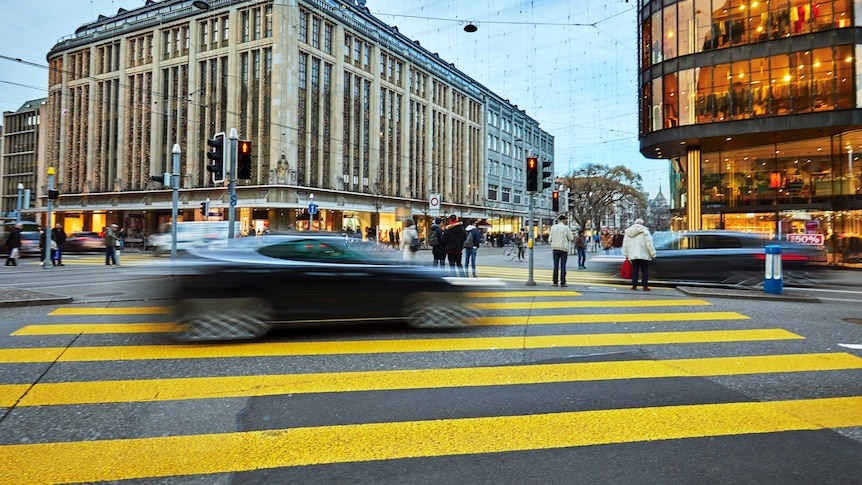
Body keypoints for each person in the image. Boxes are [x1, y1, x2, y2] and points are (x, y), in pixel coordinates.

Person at [622, 218, 657, 291]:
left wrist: (626, 255)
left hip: (633, 255)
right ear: (642, 224)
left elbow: (625, 244)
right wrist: (653, 254)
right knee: (644, 270)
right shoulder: (645, 231)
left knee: (634, 270)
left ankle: (634, 285)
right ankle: (645, 286)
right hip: (644, 254)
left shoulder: (628, 232)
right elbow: (649, 244)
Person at [548, 214, 574, 287]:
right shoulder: (566, 228)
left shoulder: (553, 227)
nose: (566, 221)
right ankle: (563, 282)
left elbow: (549, 239)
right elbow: (571, 238)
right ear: (563, 220)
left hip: (555, 248)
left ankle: (554, 281)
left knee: (555, 265)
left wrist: (553, 243)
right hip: (563, 249)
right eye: (566, 220)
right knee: (563, 266)